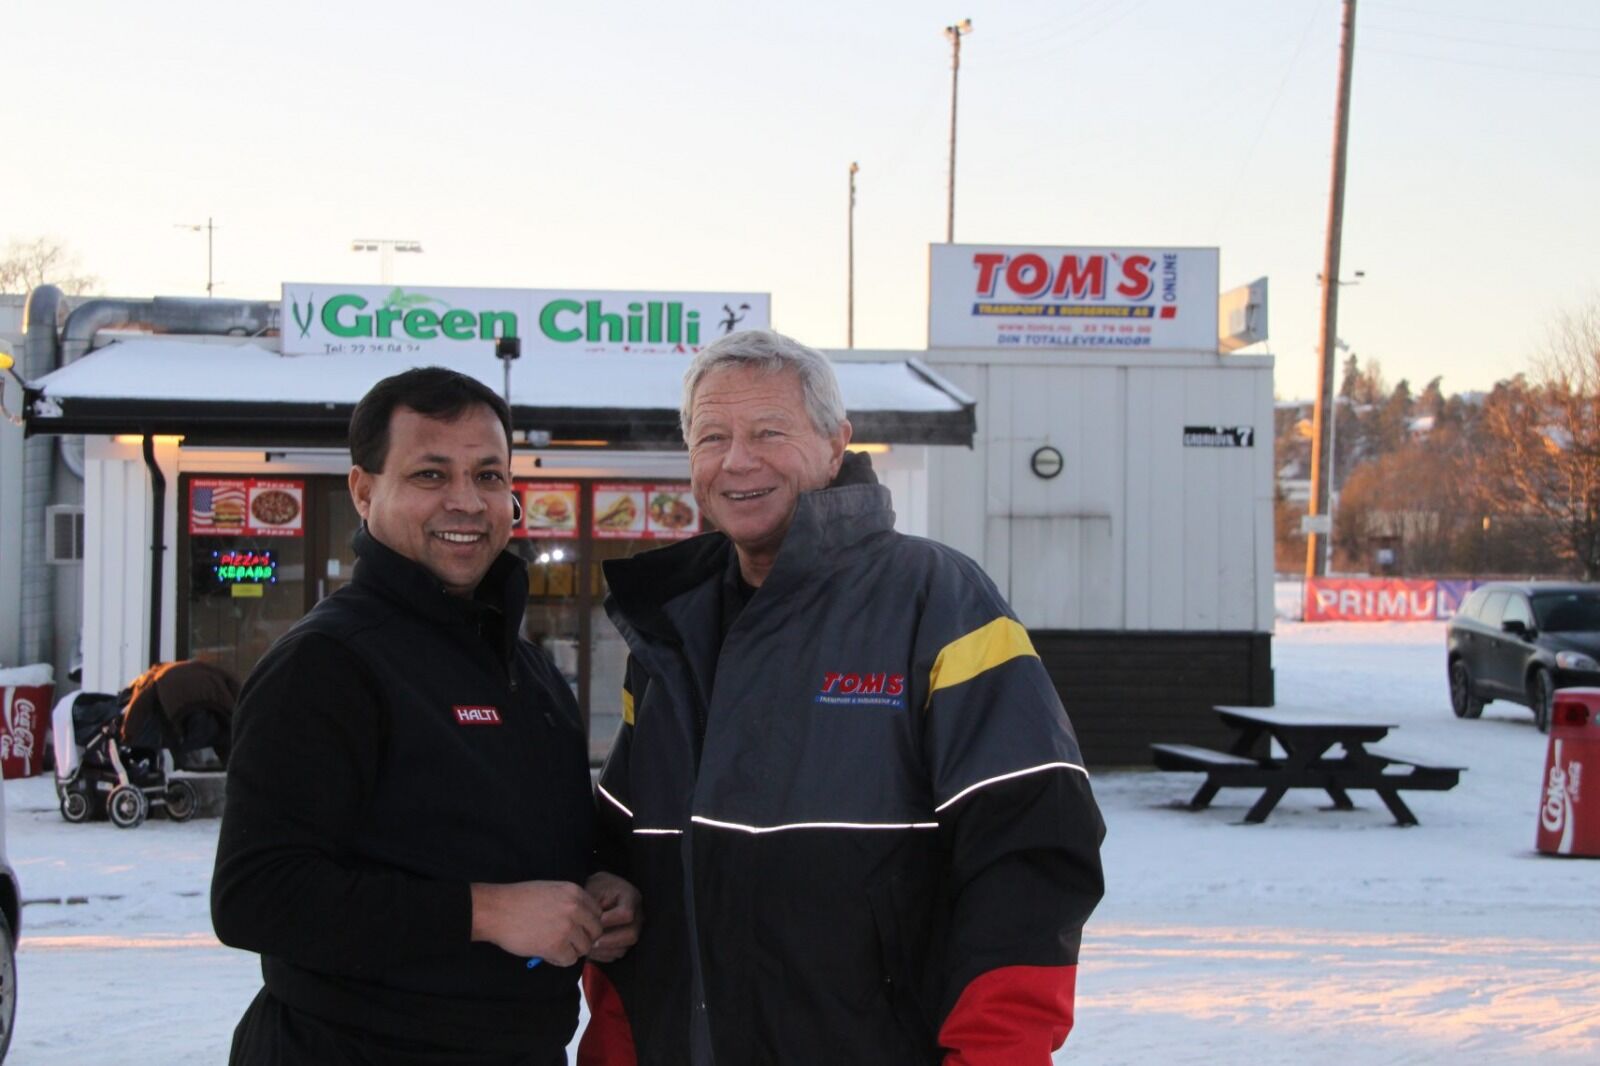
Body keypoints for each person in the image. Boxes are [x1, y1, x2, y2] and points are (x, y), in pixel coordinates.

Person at [579, 331, 1105, 1065]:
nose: (738, 460)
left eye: (769, 432)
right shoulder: (671, 629)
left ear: (835, 444)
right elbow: (626, 861)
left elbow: (1030, 854)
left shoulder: (938, 600)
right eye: (713, 437)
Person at [213, 366, 641, 1065]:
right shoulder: (328, 662)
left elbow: (517, 840)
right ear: (363, 490)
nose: (466, 502)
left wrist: (597, 886)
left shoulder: (528, 673)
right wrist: (487, 913)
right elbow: (256, 896)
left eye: (488, 475)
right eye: (431, 475)